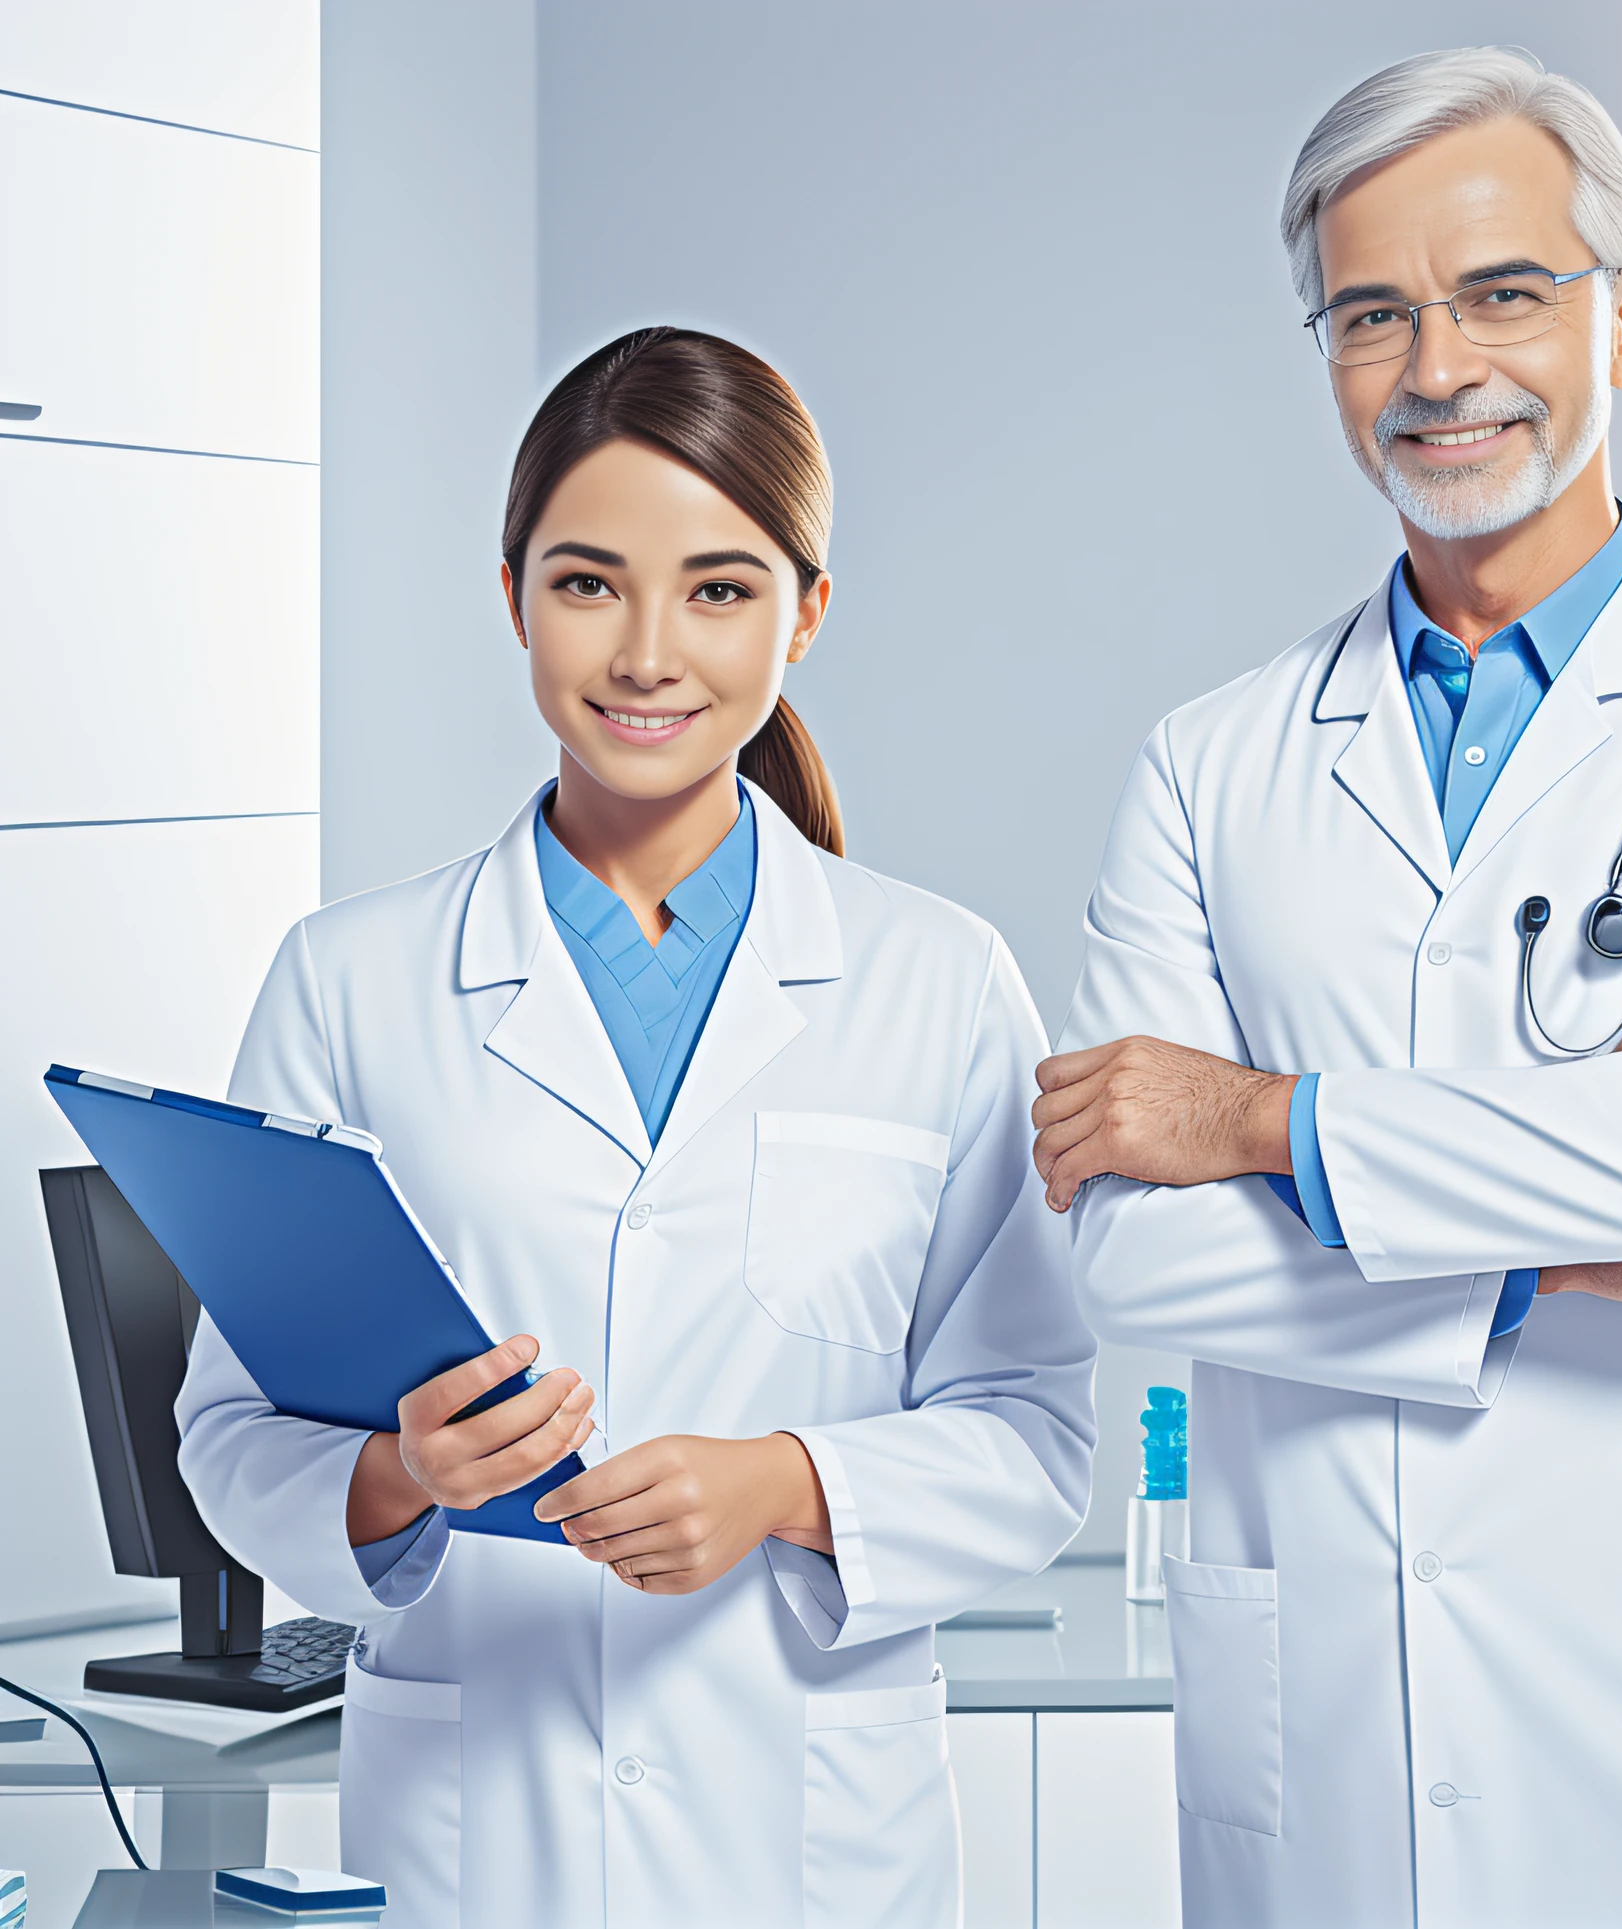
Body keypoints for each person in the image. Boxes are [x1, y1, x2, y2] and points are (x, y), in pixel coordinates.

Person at [1034, 47, 1622, 1928]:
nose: (1438, 368)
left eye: (1503, 294)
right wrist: (1559, 1230)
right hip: (1344, 1780)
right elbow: (1125, 1248)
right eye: (1370, 314)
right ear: (1323, 356)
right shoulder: (1210, 763)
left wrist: (1254, 1126)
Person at [177, 327, 1096, 1928]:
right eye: (590, 583)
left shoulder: (934, 980)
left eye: (721, 589)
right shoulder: (349, 981)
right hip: (480, 1833)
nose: (648, 652)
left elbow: (1032, 1425)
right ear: (515, 594)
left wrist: (787, 1485)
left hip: (811, 1841)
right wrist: (397, 1477)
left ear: (808, 612)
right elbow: (231, 1427)